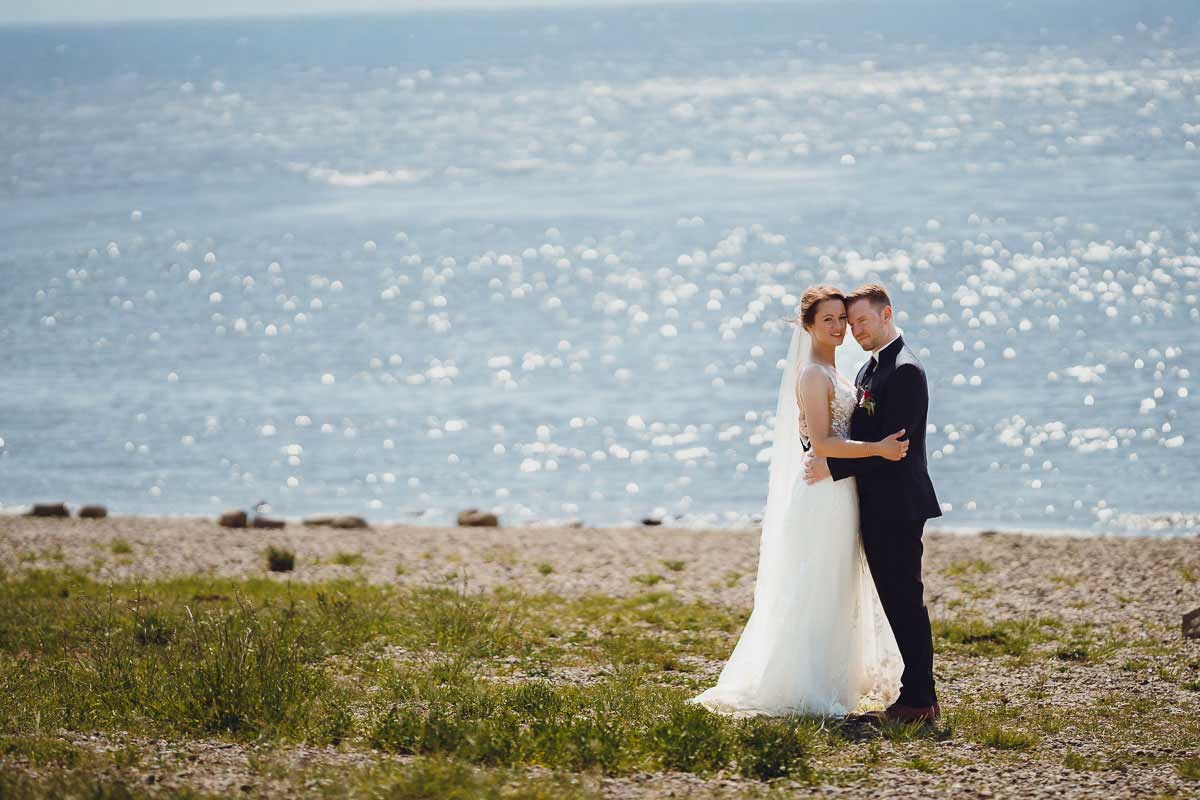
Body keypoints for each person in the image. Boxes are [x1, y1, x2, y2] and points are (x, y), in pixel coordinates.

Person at [687, 285, 904, 717]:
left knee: (836, 581)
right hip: (821, 494)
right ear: (808, 326)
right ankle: (803, 682)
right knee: (815, 581)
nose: (840, 327)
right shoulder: (812, 375)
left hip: (841, 491)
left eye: (843, 319)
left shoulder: (840, 372)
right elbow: (822, 443)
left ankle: (832, 676)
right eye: (829, 320)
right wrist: (877, 449)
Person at [804, 283, 942, 723]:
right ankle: (915, 693)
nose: (854, 329)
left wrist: (832, 467)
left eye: (862, 320)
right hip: (873, 505)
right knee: (892, 598)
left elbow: (894, 448)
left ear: (887, 315)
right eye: (849, 321)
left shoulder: (904, 370)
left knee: (905, 600)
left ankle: (919, 699)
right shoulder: (867, 371)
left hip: (899, 505)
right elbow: (856, 437)